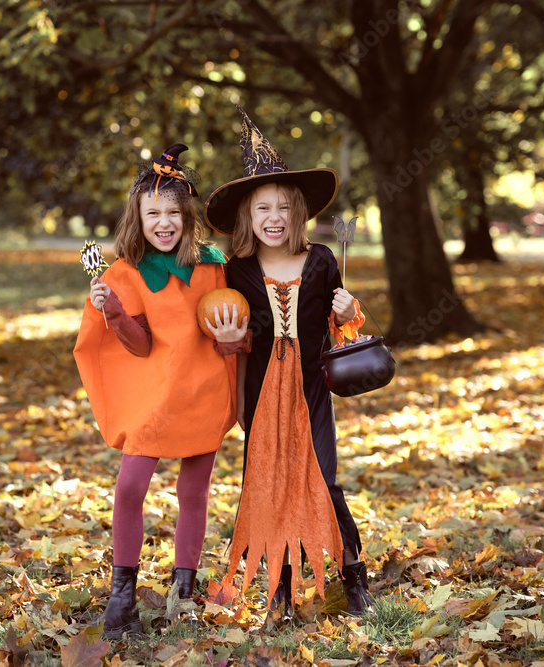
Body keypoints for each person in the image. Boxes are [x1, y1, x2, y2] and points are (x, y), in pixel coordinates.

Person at [73, 143, 250, 639]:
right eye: (154, 213)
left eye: (173, 212)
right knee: (130, 487)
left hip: (206, 391)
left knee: (194, 490)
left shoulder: (214, 265)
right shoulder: (125, 272)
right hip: (157, 397)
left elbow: (233, 321)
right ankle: (122, 594)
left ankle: (183, 589)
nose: (164, 222)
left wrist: (238, 338)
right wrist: (112, 312)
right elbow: (139, 343)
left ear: (187, 216)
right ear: (139, 218)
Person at [203, 108, 374, 618]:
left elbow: (343, 324)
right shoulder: (236, 271)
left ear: (297, 213)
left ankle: (352, 573)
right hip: (260, 392)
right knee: (269, 484)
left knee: (325, 477)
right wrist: (230, 341)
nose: (273, 218)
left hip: (310, 389)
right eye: (262, 210)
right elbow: (229, 336)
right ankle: (280, 587)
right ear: (247, 219)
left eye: (282, 208)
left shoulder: (322, 260)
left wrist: (348, 312)